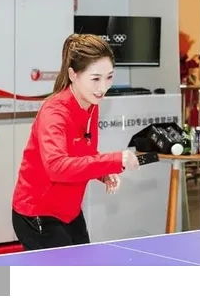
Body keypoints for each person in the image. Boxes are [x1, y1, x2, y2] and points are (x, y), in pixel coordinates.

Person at [11, 33, 141, 251]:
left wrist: (103, 173)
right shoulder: (54, 113)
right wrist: (116, 160)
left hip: (69, 211)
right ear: (73, 75)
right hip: (38, 214)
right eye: (95, 79)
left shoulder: (91, 104)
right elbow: (56, 167)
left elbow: (84, 151)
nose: (103, 87)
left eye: (109, 77)